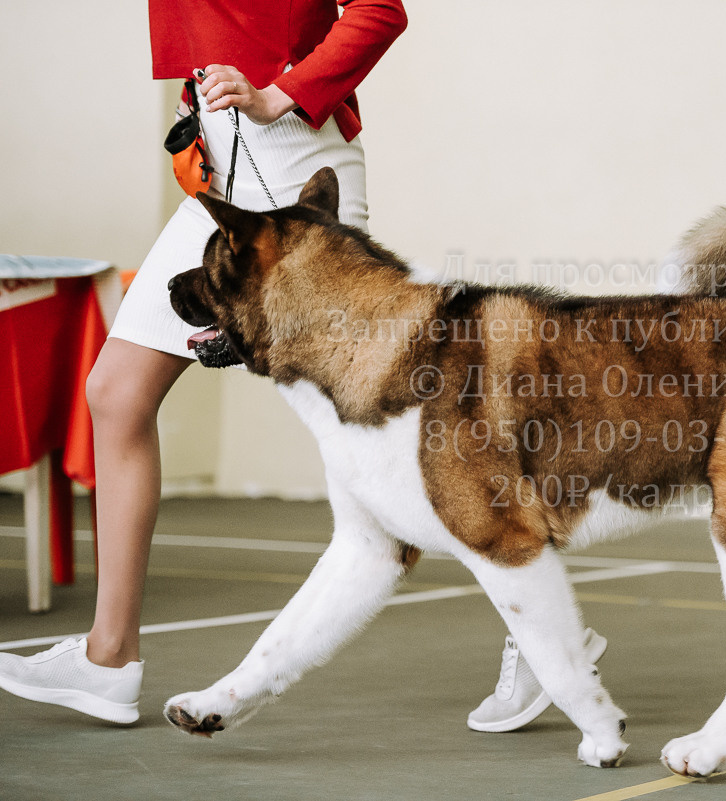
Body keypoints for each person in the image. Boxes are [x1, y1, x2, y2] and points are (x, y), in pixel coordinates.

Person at [0, 0, 602, 734]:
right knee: (117, 393)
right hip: (220, 164)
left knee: (390, 453)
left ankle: (547, 636)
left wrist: (279, 94)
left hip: (289, 159)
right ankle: (108, 656)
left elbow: (379, 10)